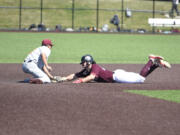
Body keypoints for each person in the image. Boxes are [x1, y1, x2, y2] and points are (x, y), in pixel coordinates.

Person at [58, 54, 171, 84]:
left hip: (117, 76)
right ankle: (156, 64)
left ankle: (151, 60)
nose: (82, 64)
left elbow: (91, 77)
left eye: (83, 62)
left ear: (88, 62)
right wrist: (63, 78)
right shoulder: (87, 70)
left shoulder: (94, 67)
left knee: (140, 78)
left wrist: (81, 81)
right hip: (116, 74)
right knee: (139, 77)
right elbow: (74, 75)